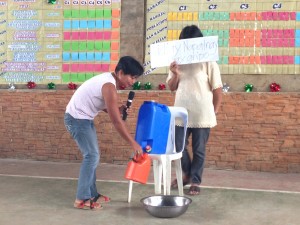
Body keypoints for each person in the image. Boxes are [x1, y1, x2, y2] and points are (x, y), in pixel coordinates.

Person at [64, 56, 144, 210]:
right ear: (121, 72)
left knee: (92, 155)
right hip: (76, 119)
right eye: (132, 77)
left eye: (135, 78)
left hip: (83, 118)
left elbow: (99, 103)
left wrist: (117, 109)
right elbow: (116, 121)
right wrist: (133, 143)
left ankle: (92, 194)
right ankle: (81, 199)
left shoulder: (108, 81)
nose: (132, 82)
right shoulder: (109, 86)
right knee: (92, 156)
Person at [167, 25, 223, 195]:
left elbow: (217, 88)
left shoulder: (208, 61)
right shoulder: (176, 62)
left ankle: (195, 180)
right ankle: (187, 175)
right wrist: (175, 73)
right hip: (181, 113)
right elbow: (171, 87)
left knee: (199, 149)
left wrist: (215, 109)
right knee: (178, 146)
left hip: (202, 113)